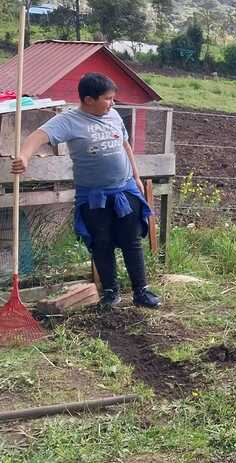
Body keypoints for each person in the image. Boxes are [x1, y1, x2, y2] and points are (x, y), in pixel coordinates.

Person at [11, 73, 159, 310]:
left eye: (113, 98)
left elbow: (125, 145)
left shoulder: (112, 115)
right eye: (107, 98)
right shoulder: (69, 121)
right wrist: (24, 157)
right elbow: (38, 136)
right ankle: (110, 293)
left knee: (131, 241)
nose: (112, 103)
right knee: (101, 243)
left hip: (125, 189)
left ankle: (141, 291)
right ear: (89, 100)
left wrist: (137, 176)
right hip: (93, 196)